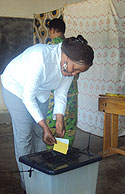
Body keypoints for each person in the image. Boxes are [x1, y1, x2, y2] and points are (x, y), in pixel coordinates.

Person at [1, 35, 94, 190]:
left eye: (79, 72)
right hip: (16, 88)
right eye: (75, 69)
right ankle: (28, 184)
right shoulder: (40, 58)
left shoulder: (68, 67)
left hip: (39, 92)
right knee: (25, 136)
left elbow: (61, 94)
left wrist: (59, 119)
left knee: (41, 135)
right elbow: (27, 97)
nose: (75, 74)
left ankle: (40, 174)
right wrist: (45, 126)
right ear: (66, 57)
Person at [46, 18, 79, 148]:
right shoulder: (73, 49)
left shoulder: (50, 47)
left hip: (53, 95)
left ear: (52, 30)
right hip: (72, 94)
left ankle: (52, 155)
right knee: (68, 125)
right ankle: (63, 153)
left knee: (54, 124)